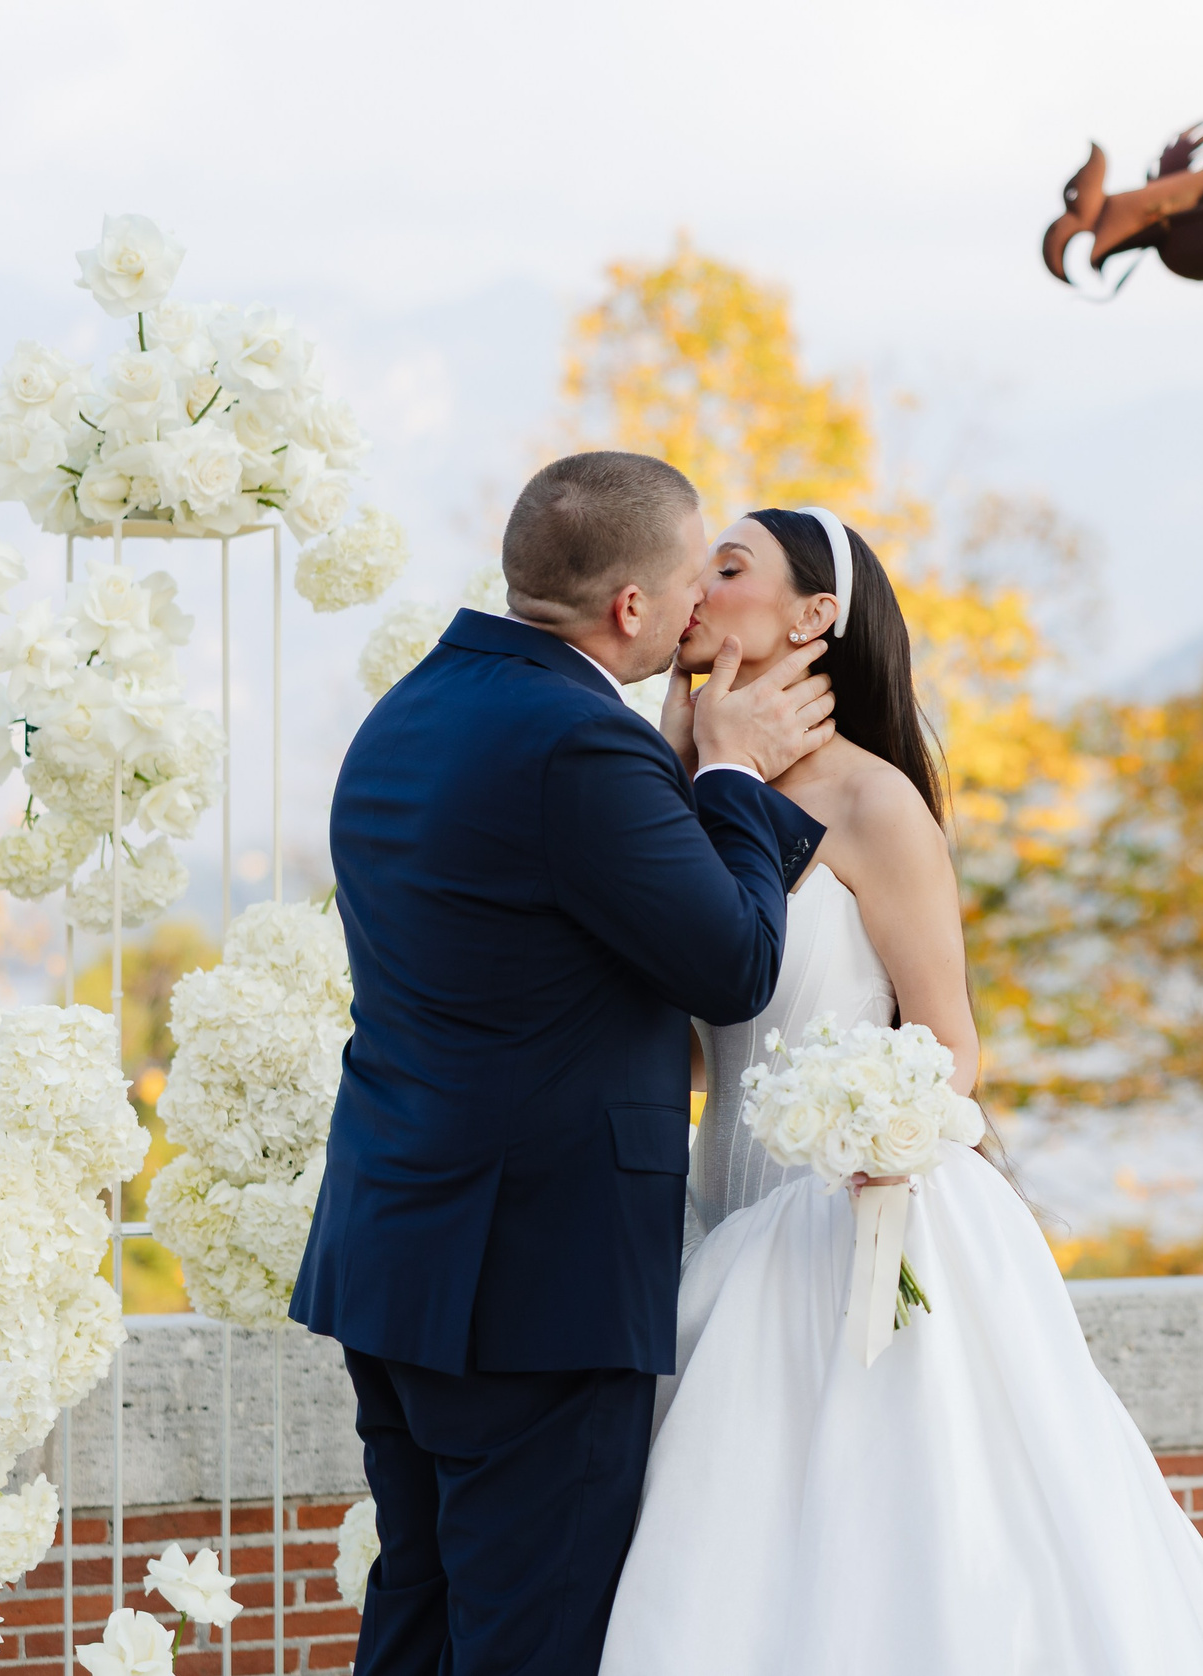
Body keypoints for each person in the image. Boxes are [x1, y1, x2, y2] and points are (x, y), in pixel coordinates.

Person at [597, 509, 1203, 1675]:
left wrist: (885, 1131)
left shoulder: (874, 802)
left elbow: (949, 1037)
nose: (694, 587)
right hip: (716, 1216)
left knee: (905, 1539)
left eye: (728, 567)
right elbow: (693, 1029)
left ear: (816, 615)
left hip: (862, 1218)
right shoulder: (678, 789)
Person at [290, 452, 839, 1676]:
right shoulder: (582, 747)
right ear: (632, 610)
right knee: (534, 1638)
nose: (704, 606)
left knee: (420, 1615)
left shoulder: (413, 705)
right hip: (534, 1290)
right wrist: (735, 774)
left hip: (395, 1256)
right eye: (693, 580)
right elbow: (735, 962)